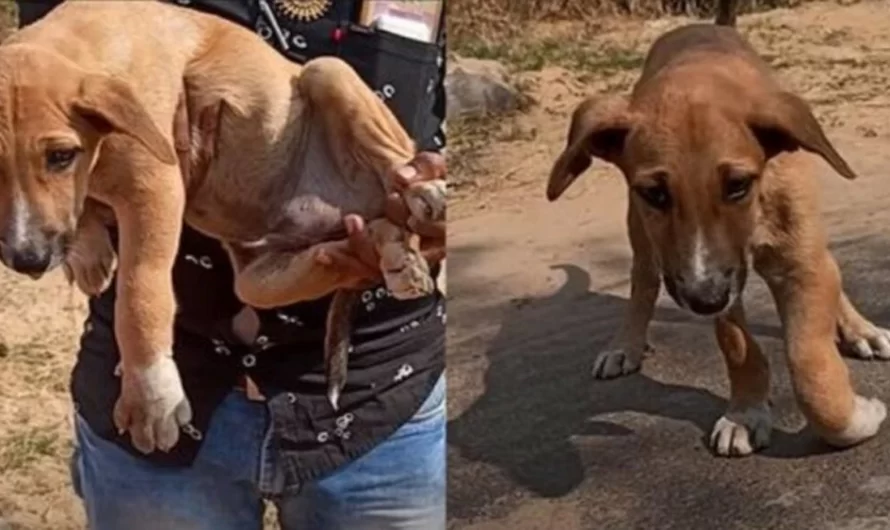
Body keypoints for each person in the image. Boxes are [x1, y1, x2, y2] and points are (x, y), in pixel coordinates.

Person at [15, 1, 447, 529]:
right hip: (181, 377)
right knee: (257, 284)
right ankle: (347, 251)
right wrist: (84, 225)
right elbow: (33, 122)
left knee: (330, 78)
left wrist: (426, 208)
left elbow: (435, 132)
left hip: (378, 398)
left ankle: (382, 236)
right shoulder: (88, 42)